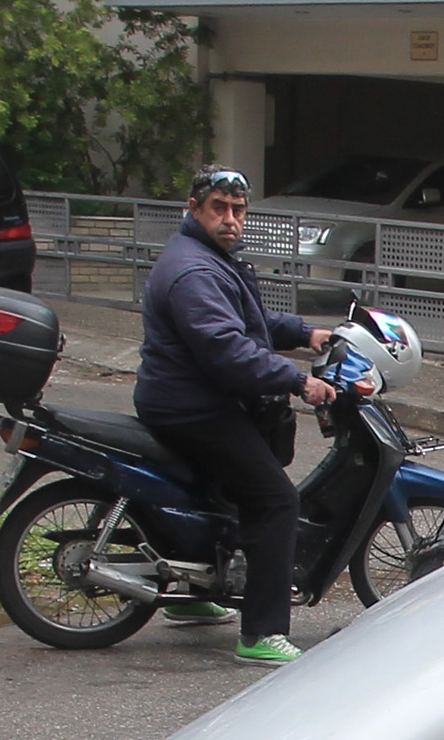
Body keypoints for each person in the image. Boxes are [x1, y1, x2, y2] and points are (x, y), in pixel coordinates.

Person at [134, 167, 333, 665]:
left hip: (192, 399)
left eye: (238, 210)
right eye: (219, 208)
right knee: (274, 500)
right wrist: (297, 380)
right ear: (195, 209)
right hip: (194, 407)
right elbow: (226, 347)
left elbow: (249, 322)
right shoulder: (195, 271)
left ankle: (191, 593)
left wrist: (306, 333)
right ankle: (261, 632)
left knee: (219, 491)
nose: (230, 219)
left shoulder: (207, 258)